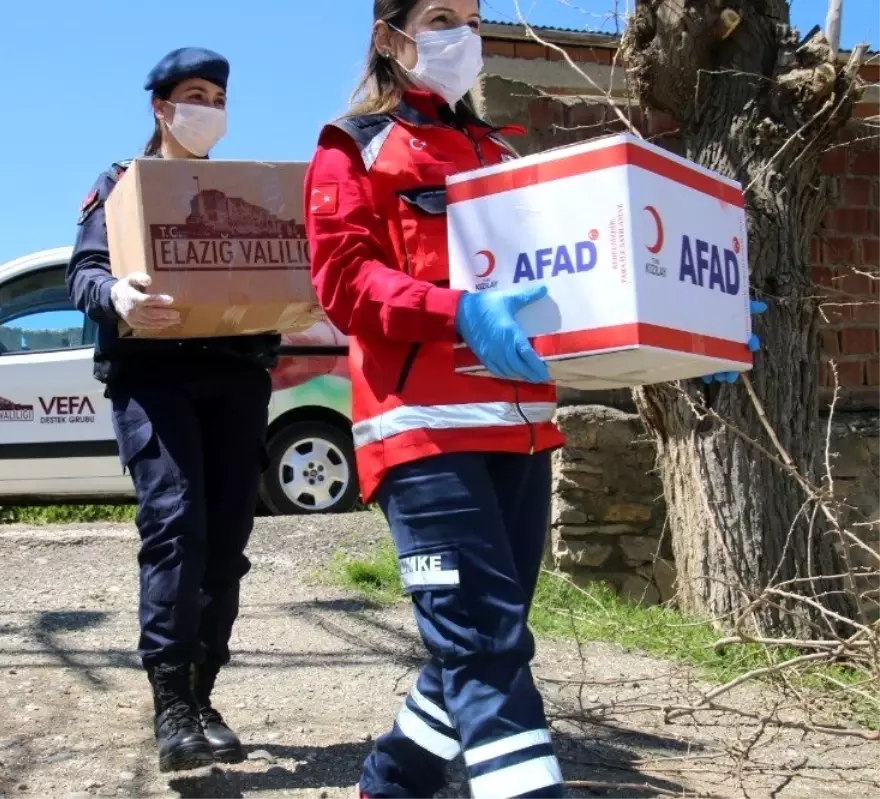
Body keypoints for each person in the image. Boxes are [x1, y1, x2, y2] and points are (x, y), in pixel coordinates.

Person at [303, 2, 766, 797]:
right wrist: (459, 311)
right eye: (442, 15)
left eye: (475, 18)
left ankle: (391, 782)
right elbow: (343, 284)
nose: (465, 36)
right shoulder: (353, 149)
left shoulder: (498, 153)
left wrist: (696, 332)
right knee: (485, 641)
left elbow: (577, 293)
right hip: (422, 437)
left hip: (520, 436)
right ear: (389, 37)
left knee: (489, 639)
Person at [67, 46, 280, 773]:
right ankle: (171, 702)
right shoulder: (121, 184)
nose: (209, 110)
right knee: (176, 523)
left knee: (226, 541)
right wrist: (118, 297)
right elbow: (85, 272)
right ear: (160, 106)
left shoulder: (243, 188)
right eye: (195, 95)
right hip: (154, 376)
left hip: (236, 372)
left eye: (219, 98)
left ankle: (203, 690)